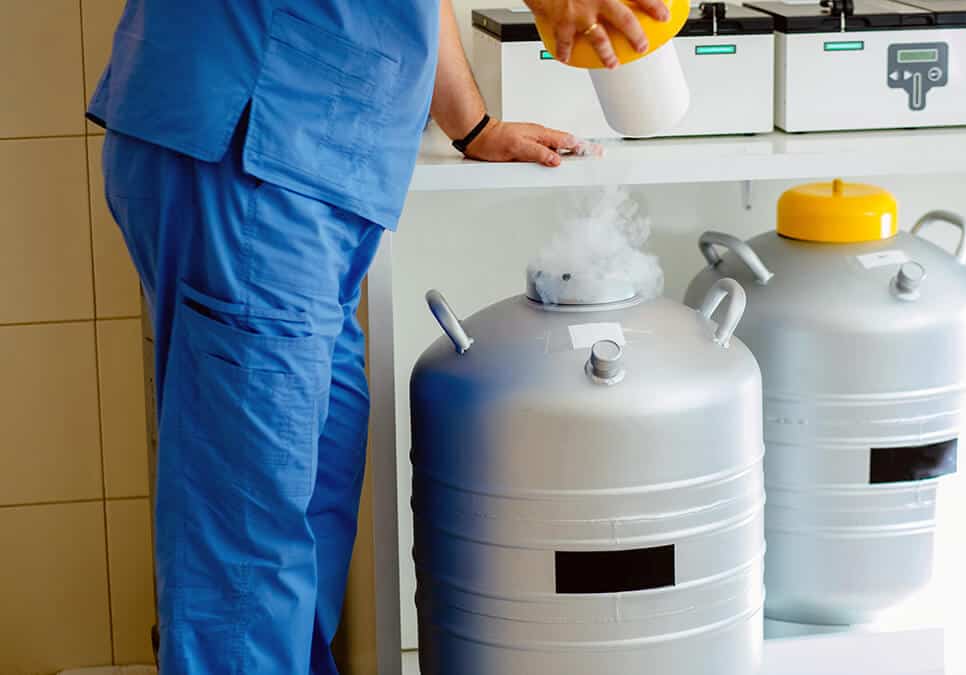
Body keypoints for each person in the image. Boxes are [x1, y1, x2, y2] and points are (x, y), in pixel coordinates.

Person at [89, 0, 669, 673]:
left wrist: (472, 123)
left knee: (311, 501)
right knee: (249, 551)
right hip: (254, 140)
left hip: (308, 163)